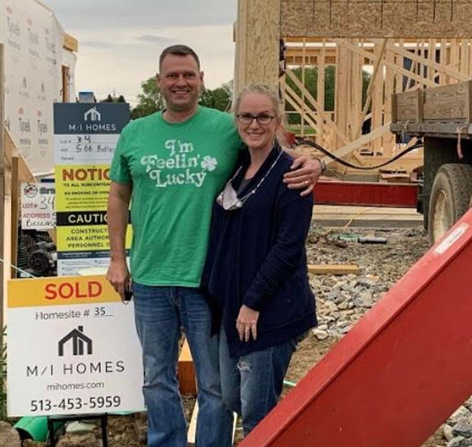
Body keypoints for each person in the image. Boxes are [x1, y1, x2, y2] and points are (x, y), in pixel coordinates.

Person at [106, 45, 321, 447]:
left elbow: (269, 150)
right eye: (172, 75)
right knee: (156, 378)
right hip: (151, 278)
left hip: (206, 283)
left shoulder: (226, 128)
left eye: (188, 74)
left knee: (216, 387)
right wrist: (118, 259)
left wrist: (313, 162)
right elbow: (118, 196)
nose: (180, 82)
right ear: (159, 83)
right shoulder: (135, 133)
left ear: (201, 79)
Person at [201, 84, 318, 437]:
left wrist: (253, 302)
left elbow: (288, 247)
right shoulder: (236, 169)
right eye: (247, 116)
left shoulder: (292, 174)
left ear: (278, 120)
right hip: (230, 308)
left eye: (264, 116)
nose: (255, 124)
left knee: (257, 415)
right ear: (236, 119)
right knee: (233, 396)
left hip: (268, 310)